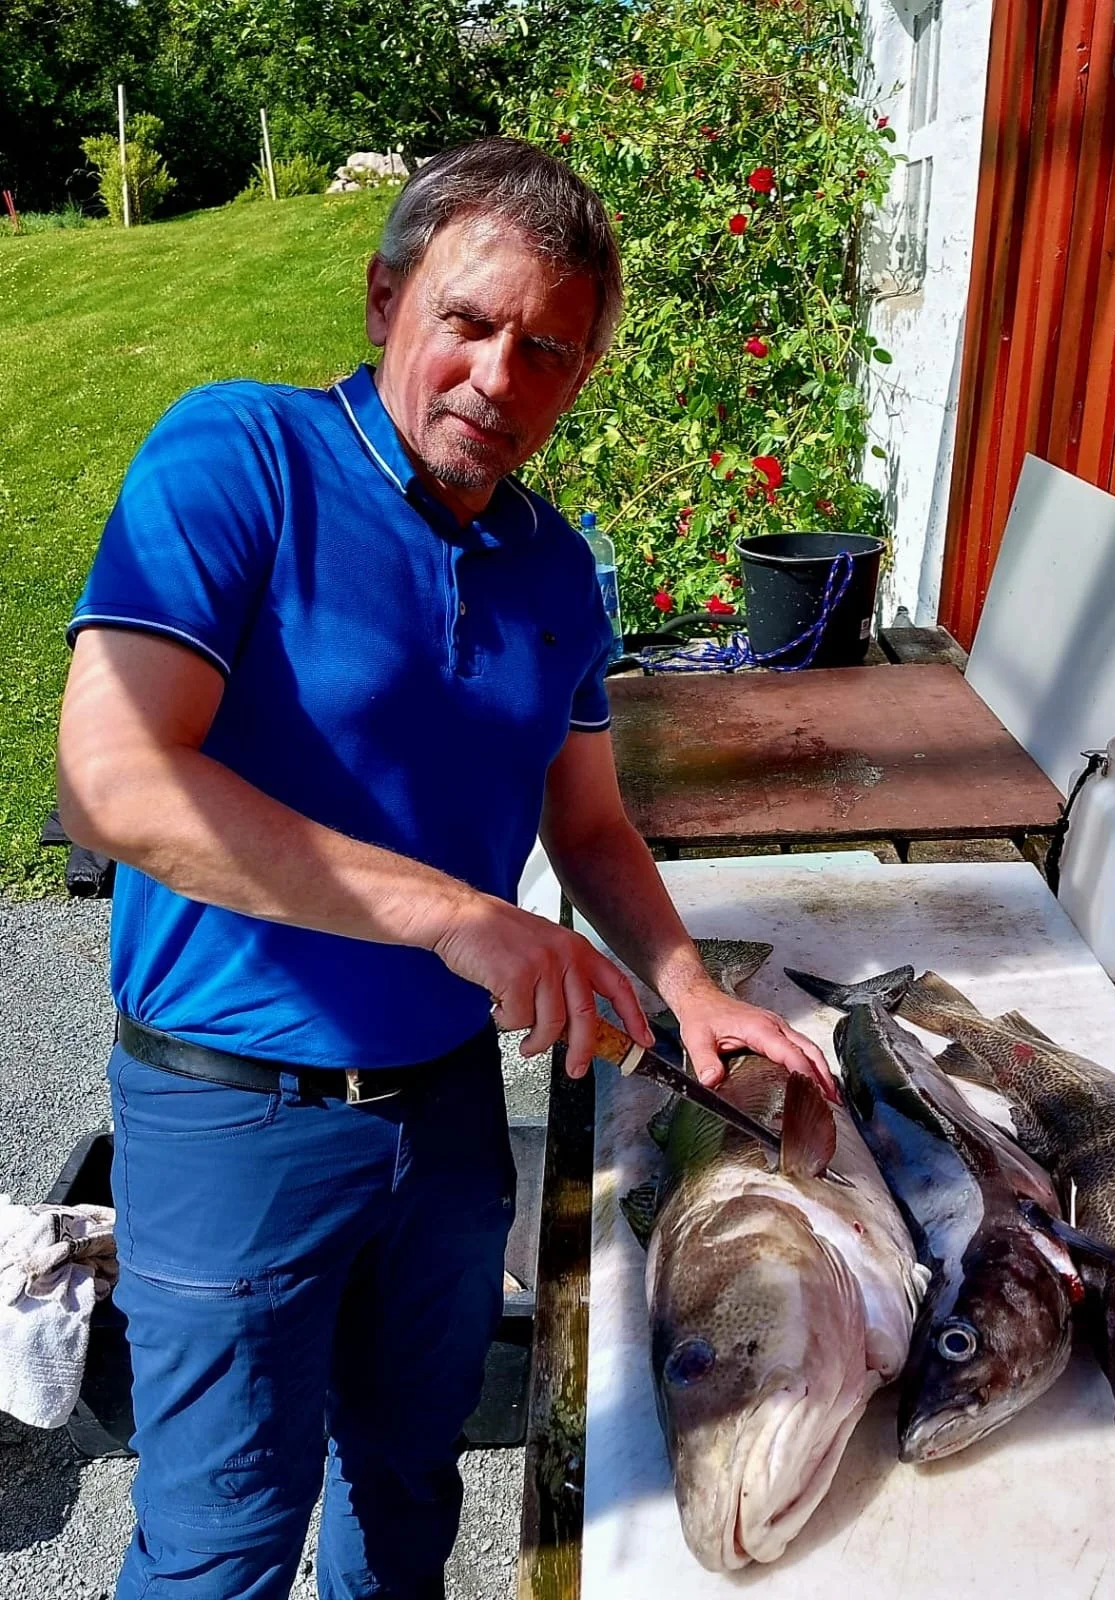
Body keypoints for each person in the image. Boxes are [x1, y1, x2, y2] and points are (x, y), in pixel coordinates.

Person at [56, 137, 831, 1600]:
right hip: (233, 1117)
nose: (498, 377)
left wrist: (681, 989)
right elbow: (109, 780)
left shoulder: (555, 564)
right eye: (467, 324)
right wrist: (463, 920)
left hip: (445, 1121)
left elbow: (587, 823)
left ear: (580, 375)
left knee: (407, 1490)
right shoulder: (243, 457)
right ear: (383, 301)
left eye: (547, 349)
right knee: (218, 1549)